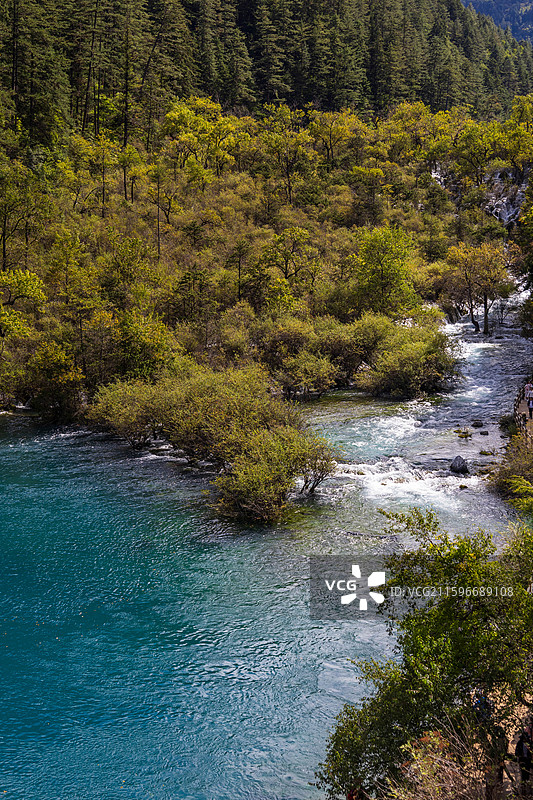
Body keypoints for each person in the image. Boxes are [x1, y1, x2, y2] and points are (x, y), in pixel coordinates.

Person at [515, 725, 532, 792]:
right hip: (522, 761)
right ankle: (523, 789)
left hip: (528, 760)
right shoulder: (519, 743)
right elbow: (517, 752)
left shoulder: (529, 744)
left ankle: (527, 787)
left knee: (527, 774)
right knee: (523, 774)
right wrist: (519, 757)